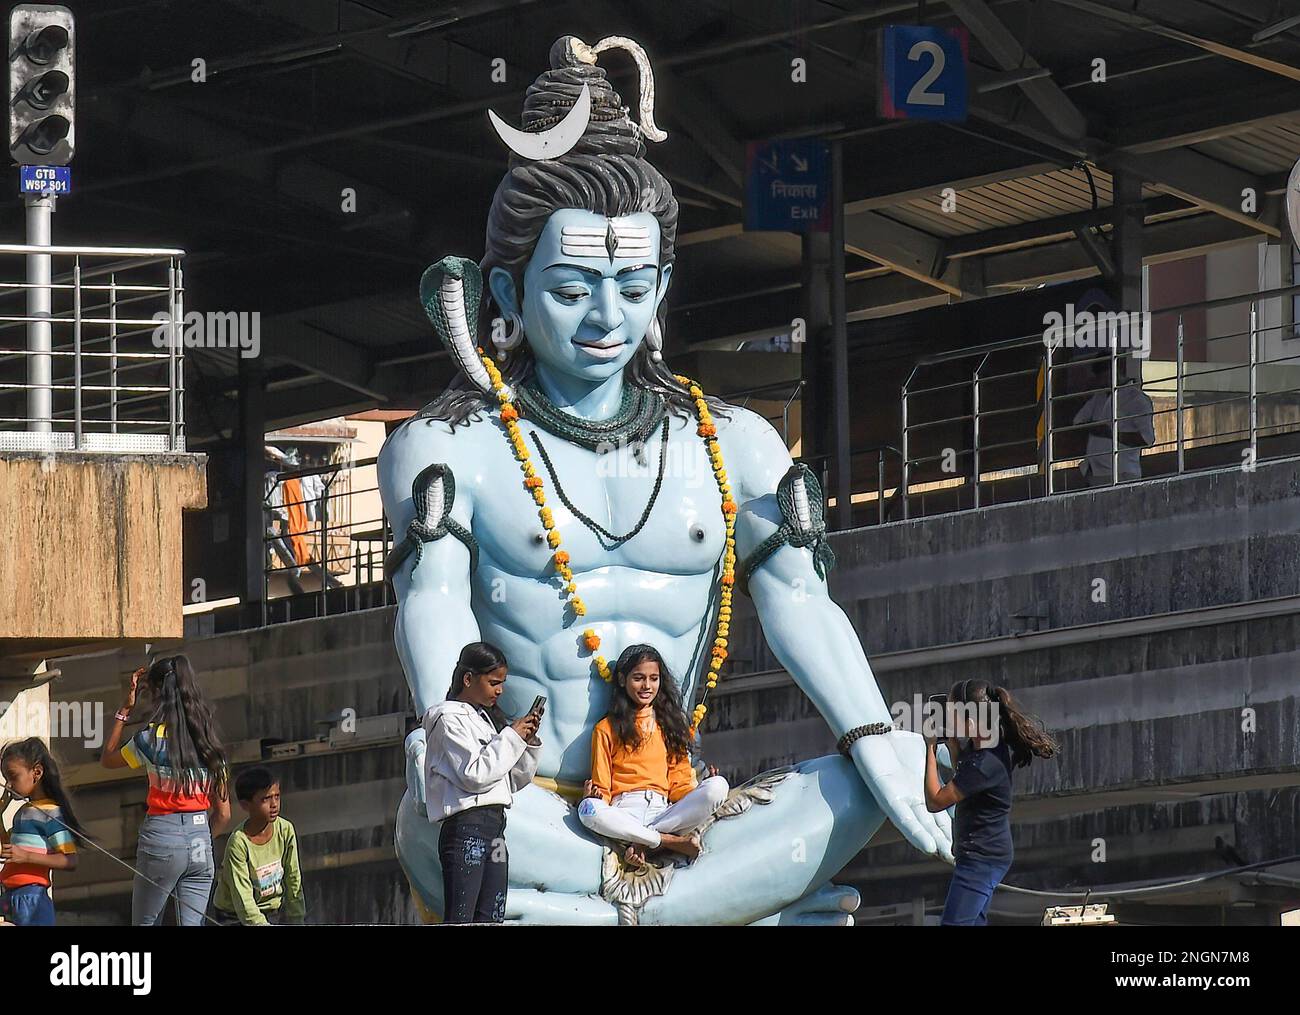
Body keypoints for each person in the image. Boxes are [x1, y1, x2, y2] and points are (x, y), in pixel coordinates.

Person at [102, 655, 232, 926]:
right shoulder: (210, 742)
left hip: (161, 837)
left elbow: (108, 759)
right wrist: (200, 837)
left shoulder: (149, 739)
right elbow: (223, 815)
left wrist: (124, 710)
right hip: (200, 843)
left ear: (157, 693)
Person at [578, 645, 729, 867]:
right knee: (587, 809)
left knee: (719, 786)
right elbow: (604, 788)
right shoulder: (606, 728)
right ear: (622, 680)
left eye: (654, 678)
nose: (647, 686)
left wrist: (701, 787)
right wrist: (593, 795)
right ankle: (666, 841)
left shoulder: (670, 724)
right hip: (625, 812)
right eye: (638, 678)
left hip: (664, 813)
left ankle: (643, 841)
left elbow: (678, 786)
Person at [424, 642, 542, 924]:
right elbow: (476, 775)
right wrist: (511, 737)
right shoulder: (447, 718)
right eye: (493, 682)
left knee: (491, 917)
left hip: (495, 825)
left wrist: (525, 741)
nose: (499, 690)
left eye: (501, 683)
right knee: (462, 917)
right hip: (467, 827)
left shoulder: (485, 720)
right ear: (468, 679)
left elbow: (511, 780)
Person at [923, 679, 1057, 926]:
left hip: (981, 859)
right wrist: (953, 746)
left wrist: (930, 748)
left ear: (971, 723)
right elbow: (966, 779)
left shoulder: (985, 762)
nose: (948, 720)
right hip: (983, 854)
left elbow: (935, 800)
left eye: (953, 714)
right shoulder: (985, 743)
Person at [0, 739, 82, 926]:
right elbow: (9, 848)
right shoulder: (23, 812)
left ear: (36, 773)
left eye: (13, 777)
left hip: (30, 897)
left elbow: (70, 860)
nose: (9, 786)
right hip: (8, 894)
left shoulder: (51, 814)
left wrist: (27, 856)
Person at [212, 767, 305, 926]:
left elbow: (293, 879)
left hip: (271, 910)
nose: (274, 804)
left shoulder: (285, 830)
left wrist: (297, 920)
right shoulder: (239, 842)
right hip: (234, 916)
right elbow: (243, 899)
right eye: (265, 799)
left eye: (277, 796)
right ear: (245, 805)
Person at [1073, 355, 1155, 486]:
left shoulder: (1137, 400)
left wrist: (1112, 433)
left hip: (1122, 472)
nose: (1104, 381)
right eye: (1101, 377)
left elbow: (1147, 439)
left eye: (1107, 375)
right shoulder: (1098, 398)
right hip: (1095, 471)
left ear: (1117, 370)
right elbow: (1078, 422)